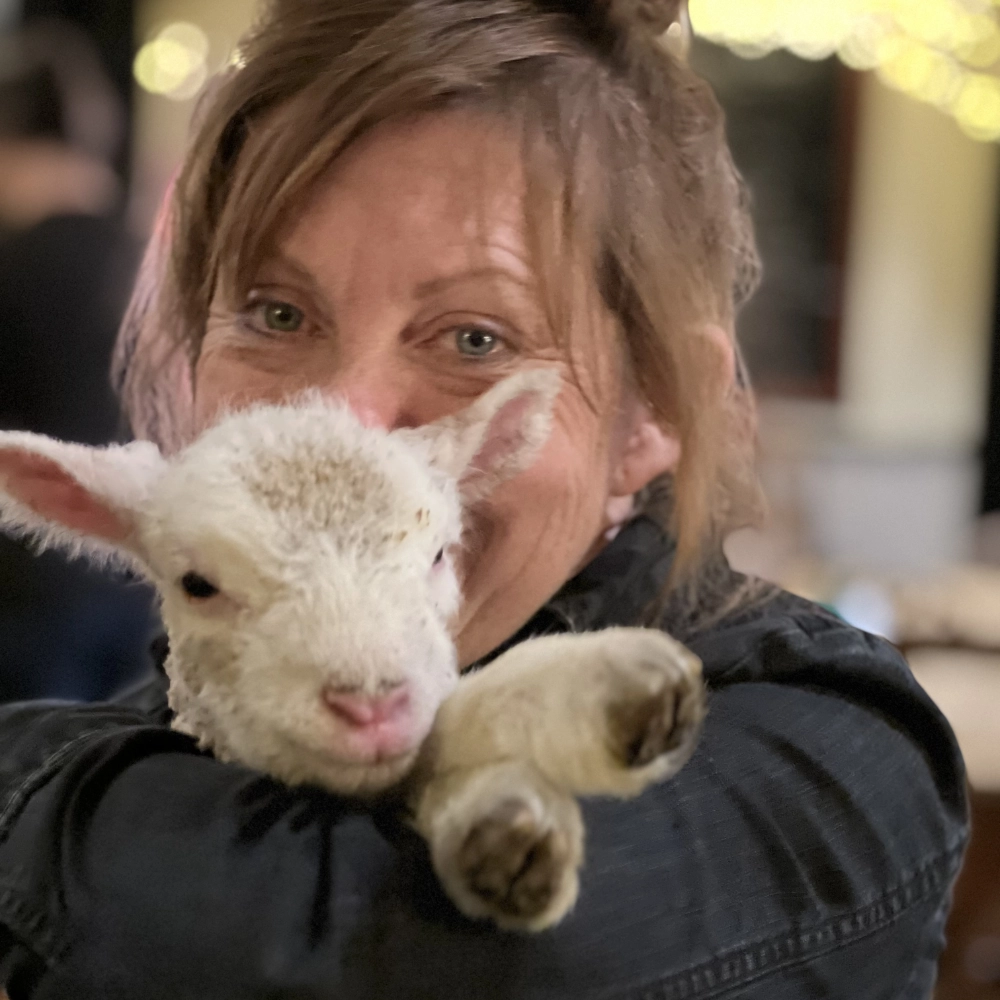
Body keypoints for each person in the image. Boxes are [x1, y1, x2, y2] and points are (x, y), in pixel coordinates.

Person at [0, 1, 968, 997]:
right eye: (275, 313)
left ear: (653, 410)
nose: (350, 428)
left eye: (475, 340)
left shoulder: (832, 757)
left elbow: (345, 942)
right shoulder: (166, 716)